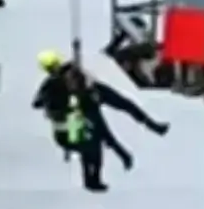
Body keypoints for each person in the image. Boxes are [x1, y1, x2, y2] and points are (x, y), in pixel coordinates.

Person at [32, 49, 167, 193]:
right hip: (77, 118)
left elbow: (118, 107)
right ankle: (92, 179)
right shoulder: (57, 88)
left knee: (122, 107)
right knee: (91, 141)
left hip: (87, 104)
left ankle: (151, 126)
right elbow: (103, 131)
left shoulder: (83, 84)